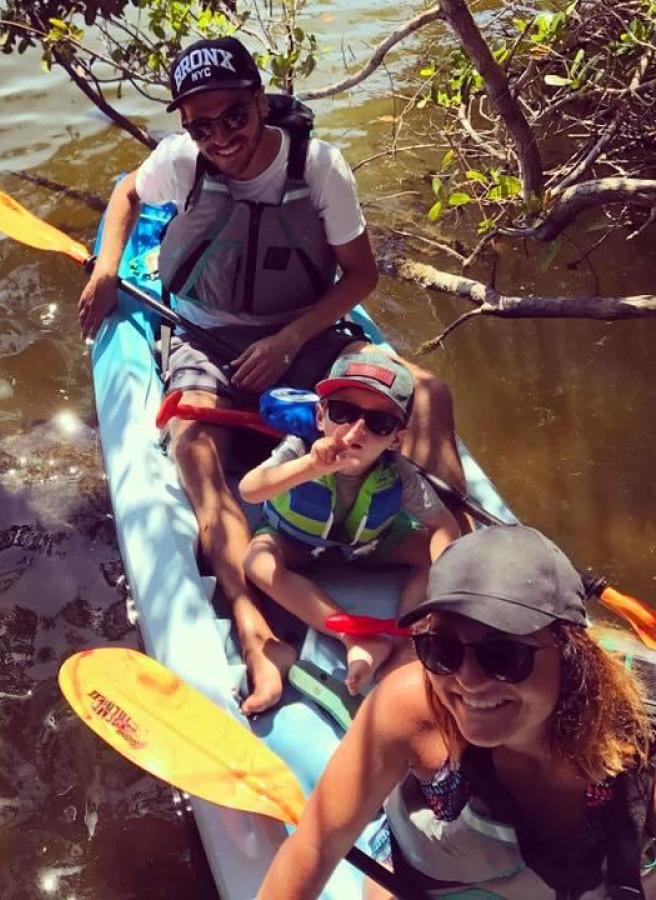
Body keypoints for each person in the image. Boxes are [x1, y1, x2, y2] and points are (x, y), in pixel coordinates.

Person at [78, 35, 467, 713]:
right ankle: (251, 621)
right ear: (185, 125)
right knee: (195, 443)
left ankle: (458, 563)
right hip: (205, 329)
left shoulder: (317, 167)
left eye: (234, 115)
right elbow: (126, 199)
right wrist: (109, 263)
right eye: (201, 123)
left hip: (304, 332)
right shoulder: (180, 161)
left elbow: (362, 275)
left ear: (260, 102)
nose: (220, 135)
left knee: (428, 390)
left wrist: (290, 340)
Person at [258, 525, 656, 899]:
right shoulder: (410, 708)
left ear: (572, 654)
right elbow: (315, 845)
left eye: (503, 655)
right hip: (436, 876)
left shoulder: (640, 732)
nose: (467, 681)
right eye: (441, 650)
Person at [239, 350, 461, 697]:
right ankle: (356, 637)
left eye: (379, 423)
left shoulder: (399, 474)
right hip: (295, 541)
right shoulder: (300, 450)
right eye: (343, 412)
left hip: (370, 544)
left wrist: (445, 579)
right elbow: (250, 490)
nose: (357, 430)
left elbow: (443, 526)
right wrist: (312, 468)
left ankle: (409, 637)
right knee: (257, 560)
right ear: (320, 416)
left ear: (397, 438)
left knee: (443, 556)